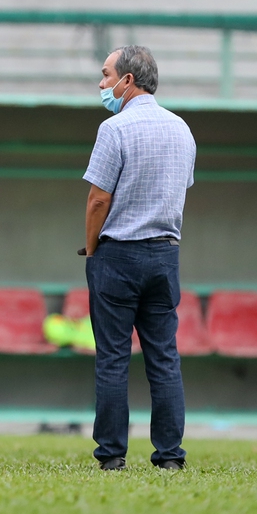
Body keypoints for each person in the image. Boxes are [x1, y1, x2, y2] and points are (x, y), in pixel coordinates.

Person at [83, 45, 195, 471]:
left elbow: (98, 199)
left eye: (106, 74)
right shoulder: (182, 129)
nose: (102, 83)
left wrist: (92, 249)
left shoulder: (114, 128)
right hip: (166, 255)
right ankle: (170, 456)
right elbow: (180, 189)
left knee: (113, 357)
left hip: (118, 255)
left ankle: (112, 455)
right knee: (164, 357)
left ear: (128, 80)